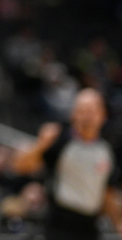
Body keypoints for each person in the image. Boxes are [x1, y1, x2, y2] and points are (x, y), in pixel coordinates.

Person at [12, 87, 122, 239]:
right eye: (82, 111)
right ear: (73, 114)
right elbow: (20, 166)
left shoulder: (107, 150)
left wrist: (118, 222)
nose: (87, 116)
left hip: (90, 225)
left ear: (103, 115)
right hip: (59, 224)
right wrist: (40, 145)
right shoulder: (60, 141)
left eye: (91, 111)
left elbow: (107, 191)